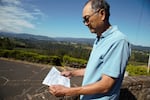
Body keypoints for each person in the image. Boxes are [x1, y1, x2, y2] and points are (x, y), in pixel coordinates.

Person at [49, 0, 131, 99]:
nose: (85, 24)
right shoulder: (99, 38)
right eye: (84, 20)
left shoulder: (118, 41)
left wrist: (67, 91)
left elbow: (106, 85)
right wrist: (72, 73)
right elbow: (94, 69)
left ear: (102, 14)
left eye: (87, 19)